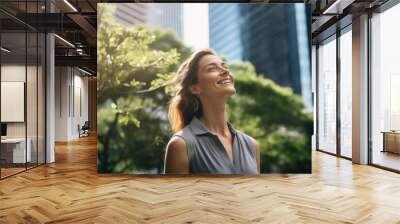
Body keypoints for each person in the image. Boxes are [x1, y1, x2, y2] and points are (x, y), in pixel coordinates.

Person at [164, 48, 260, 174]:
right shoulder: (183, 145)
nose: (225, 71)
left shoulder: (251, 145)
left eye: (224, 66)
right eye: (212, 68)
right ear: (195, 88)